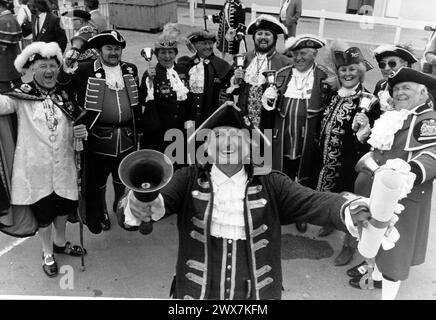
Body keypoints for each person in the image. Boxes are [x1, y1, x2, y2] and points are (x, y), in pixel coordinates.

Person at [116, 101, 395, 300]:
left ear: (248, 148)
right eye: (218, 138)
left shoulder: (271, 182)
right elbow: (159, 201)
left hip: (255, 292)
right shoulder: (188, 178)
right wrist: (139, 205)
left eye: (235, 138)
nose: (227, 144)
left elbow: (313, 202)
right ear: (207, 150)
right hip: (197, 292)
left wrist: (348, 207)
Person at [347, 67, 436, 299]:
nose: (399, 93)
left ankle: (388, 295)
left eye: (406, 88)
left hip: (404, 198)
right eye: (396, 89)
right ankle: (374, 276)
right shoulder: (397, 115)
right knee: (377, 240)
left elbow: (432, 155)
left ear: (423, 93)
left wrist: (412, 171)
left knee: (395, 256)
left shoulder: (427, 120)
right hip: (378, 192)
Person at [0, 41, 87, 277]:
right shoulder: (19, 97)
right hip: (34, 168)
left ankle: (60, 242)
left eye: (52, 66)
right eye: (42, 66)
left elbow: (76, 124)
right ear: (31, 70)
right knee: (44, 213)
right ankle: (47, 252)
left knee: (63, 207)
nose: (49, 71)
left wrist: (81, 132)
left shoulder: (65, 95)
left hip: (65, 165)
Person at [58, 30, 142, 234]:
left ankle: (122, 209)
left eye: (117, 49)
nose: (113, 53)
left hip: (127, 136)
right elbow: (63, 89)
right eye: (109, 48)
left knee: (123, 178)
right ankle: (100, 213)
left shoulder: (130, 69)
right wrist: (65, 69)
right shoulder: (85, 69)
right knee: (97, 182)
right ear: (99, 51)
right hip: (98, 137)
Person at [313, 42, 380, 266]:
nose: (347, 73)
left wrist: (365, 130)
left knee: (352, 205)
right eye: (343, 70)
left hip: (350, 166)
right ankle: (330, 222)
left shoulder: (370, 101)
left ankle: (349, 246)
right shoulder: (335, 95)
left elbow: (373, 139)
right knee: (330, 195)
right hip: (326, 162)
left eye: (352, 69)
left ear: (360, 72)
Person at [263, 34, 336, 233]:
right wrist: (269, 99)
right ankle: (278, 209)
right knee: (282, 174)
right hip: (283, 138)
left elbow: (331, 106)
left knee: (303, 178)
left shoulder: (323, 76)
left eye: (303, 53)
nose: (298, 58)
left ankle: (300, 213)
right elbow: (269, 109)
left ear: (313, 54)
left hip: (307, 139)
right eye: (295, 54)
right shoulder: (282, 74)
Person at [139, 24, 190, 165]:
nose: (167, 56)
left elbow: (189, 100)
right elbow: (143, 99)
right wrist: (149, 80)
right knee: (160, 168)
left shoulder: (184, 71)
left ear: (175, 53)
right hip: (159, 133)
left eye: (170, 52)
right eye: (162, 52)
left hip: (180, 131)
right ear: (156, 54)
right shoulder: (151, 73)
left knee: (179, 167)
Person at [233, 14, 292, 129]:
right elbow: (233, 91)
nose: (263, 37)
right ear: (254, 38)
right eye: (259, 34)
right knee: (243, 146)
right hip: (242, 121)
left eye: (267, 34)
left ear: (275, 38)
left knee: (264, 147)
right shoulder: (244, 58)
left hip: (269, 124)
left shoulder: (285, 63)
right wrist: (235, 80)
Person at [178, 29, 233, 126]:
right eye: (204, 43)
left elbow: (231, 92)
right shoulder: (185, 65)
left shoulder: (222, 66)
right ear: (195, 45)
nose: (208, 47)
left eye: (210, 43)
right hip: (190, 118)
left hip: (212, 118)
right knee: (191, 140)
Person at [0, 0, 22, 93]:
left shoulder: (2, 20)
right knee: (19, 85)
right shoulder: (12, 18)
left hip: (3, 60)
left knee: (5, 89)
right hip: (13, 57)